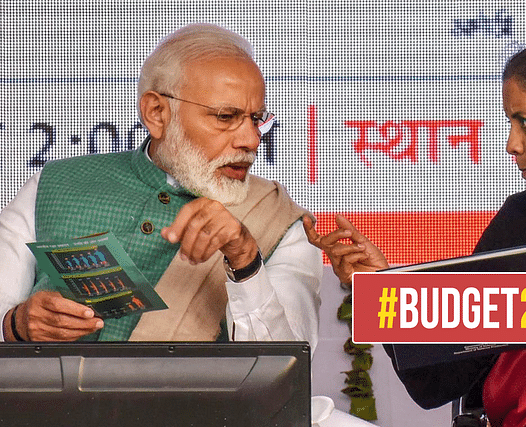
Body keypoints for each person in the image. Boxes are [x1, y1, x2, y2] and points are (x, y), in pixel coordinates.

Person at [304, 31, 526, 426]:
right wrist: (383, 290)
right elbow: (439, 383)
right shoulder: (521, 219)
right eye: (509, 123)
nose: (511, 144)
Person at [0, 23, 322, 353]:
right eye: (226, 116)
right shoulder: (54, 185)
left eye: (256, 119)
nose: (251, 140)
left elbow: (288, 368)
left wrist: (245, 259)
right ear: (157, 113)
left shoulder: (281, 221)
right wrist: (16, 325)